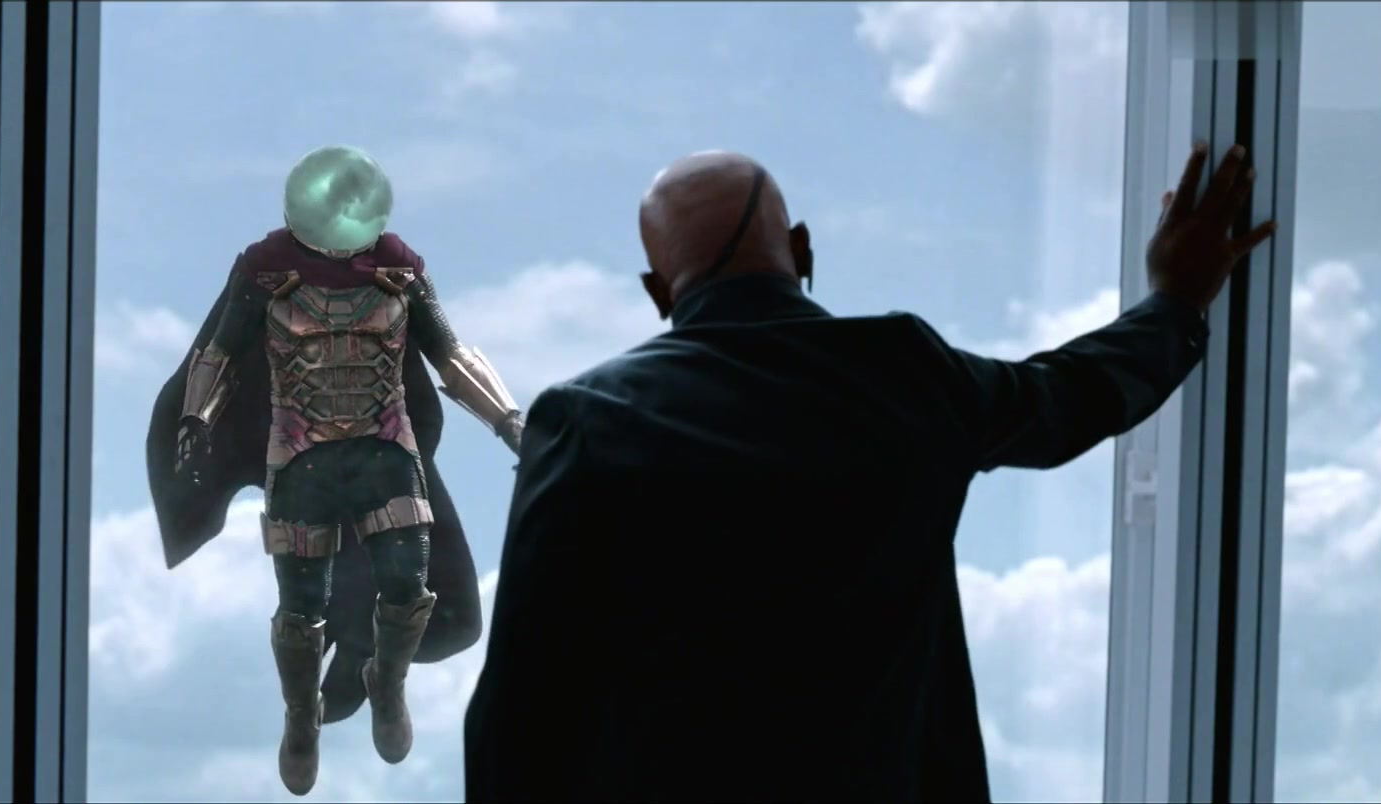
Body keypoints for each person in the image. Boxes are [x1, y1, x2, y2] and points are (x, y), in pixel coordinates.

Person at [462, 145, 1275, 802]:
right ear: (802, 249)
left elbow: (520, 704)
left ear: (655, 290)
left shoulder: (587, 419)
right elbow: (1074, 395)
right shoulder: (907, 374)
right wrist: (1176, 301)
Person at [146, 145, 525, 796]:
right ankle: (302, 716)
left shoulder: (399, 270)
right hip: (301, 453)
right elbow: (221, 355)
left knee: (412, 588)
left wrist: (508, 419)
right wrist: (196, 418)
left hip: (386, 447)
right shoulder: (266, 271)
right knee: (301, 606)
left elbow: (450, 355)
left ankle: (386, 681)